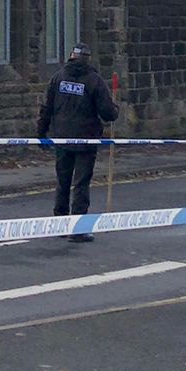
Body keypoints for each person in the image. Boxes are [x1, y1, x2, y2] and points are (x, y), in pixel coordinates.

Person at [37, 44, 118, 238]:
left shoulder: (58, 78)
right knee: (81, 183)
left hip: (62, 138)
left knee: (62, 181)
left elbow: (46, 107)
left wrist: (41, 134)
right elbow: (108, 113)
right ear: (88, 59)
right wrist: (115, 110)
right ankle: (78, 228)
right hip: (85, 141)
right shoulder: (94, 81)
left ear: (71, 57)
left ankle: (60, 223)